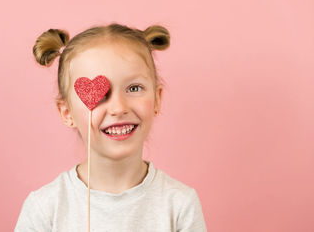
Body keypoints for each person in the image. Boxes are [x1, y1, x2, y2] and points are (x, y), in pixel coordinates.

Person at [14, 23, 207, 231]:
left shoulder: (179, 205)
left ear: (157, 99)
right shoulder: (45, 210)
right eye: (100, 95)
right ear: (67, 112)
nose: (118, 108)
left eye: (134, 88)